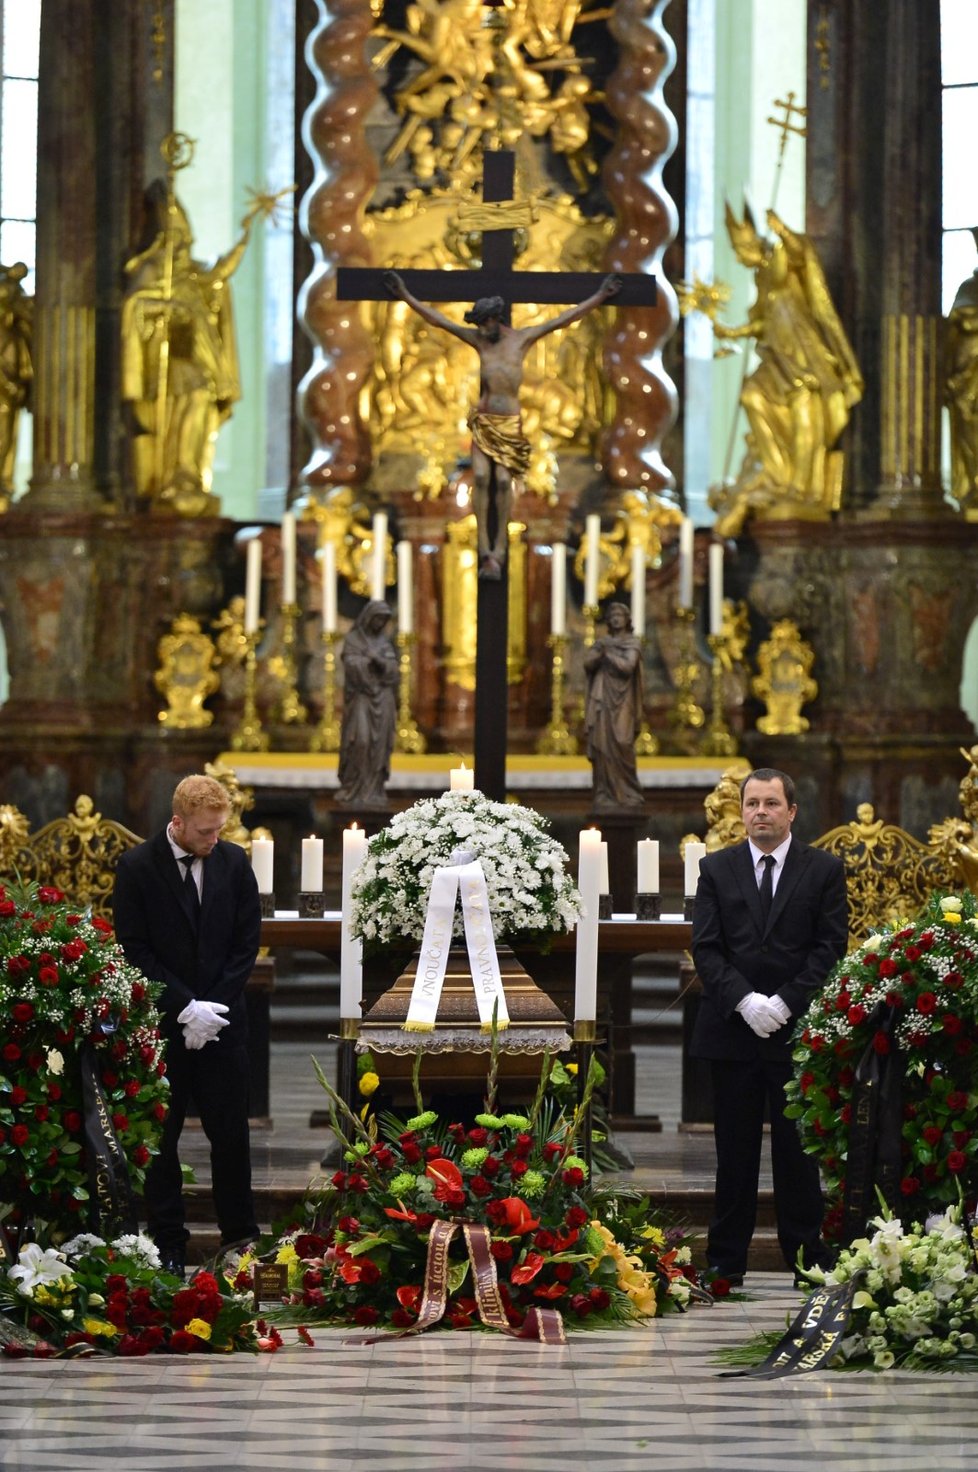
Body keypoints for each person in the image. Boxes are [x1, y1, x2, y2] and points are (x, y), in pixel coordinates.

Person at [690, 767, 848, 1286]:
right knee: (733, 1153)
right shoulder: (716, 869)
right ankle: (725, 1261)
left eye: (771, 804)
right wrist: (745, 1001)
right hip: (733, 1032)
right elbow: (707, 949)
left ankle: (805, 1257)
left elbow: (830, 947)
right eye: (752, 803)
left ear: (792, 811)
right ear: (742, 811)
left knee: (797, 1154)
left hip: (795, 1032)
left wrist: (784, 1001)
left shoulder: (823, 869)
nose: (761, 812)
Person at [112, 773, 262, 1276]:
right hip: (164, 1027)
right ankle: (169, 1244)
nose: (214, 839)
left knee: (231, 1136)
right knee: (163, 1139)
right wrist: (184, 1007)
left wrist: (211, 1010)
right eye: (205, 831)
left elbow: (246, 944)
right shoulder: (136, 868)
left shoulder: (235, 862)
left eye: (219, 829)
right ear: (177, 822)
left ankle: (240, 1240)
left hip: (223, 1024)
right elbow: (134, 949)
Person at [384, 269, 620, 577]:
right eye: (478, 325)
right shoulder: (480, 342)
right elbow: (436, 320)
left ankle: (500, 548)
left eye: (486, 323)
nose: (482, 329)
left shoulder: (520, 340)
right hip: (484, 421)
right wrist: (404, 295)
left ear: (497, 318)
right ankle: (485, 549)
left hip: (509, 422)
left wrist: (601, 296)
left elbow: (564, 318)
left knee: (503, 482)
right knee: (481, 479)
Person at [710, 205, 863, 537]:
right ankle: (779, 476)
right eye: (736, 251)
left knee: (806, 416)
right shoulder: (762, 277)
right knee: (752, 396)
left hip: (806, 357)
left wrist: (782, 230)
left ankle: (802, 487)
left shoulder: (780, 258)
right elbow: (764, 322)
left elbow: (803, 255)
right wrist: (732, 333)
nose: (739, 257)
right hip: (778, 359)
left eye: (742, 249)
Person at [121, 187, 252, 515]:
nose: (184, 245)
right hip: (170, 360)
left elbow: (219, 276)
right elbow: (134, 306)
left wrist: (245, 237)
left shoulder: (194, 274)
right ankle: (173, 474)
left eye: (186, 238)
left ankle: (188, 472)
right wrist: (166, 305)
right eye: (177, 238)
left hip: (200, 357)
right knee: (188, 400)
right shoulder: (153, 270)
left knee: (201, 404)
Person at [336, 599, 400, 807]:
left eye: (384, 620)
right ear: (368, 617)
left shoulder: (384, 643)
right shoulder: (355, 639)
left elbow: (393, 672)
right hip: (362, 698)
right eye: (378, 618)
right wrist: (365, 662)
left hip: (383, 700)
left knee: (379, 747)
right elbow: (350, 663)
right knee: (361, 741)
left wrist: (379, 661)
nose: (380, 623)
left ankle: (374, 790)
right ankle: (353, 788)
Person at [583, 601, 645, 809]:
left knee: (622, 742)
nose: (616, 618)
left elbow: (628, 667)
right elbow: (587, 663)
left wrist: (607, 654)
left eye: (620, 614)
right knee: (602, 744)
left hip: (624, 700)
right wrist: (601, 652)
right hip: (602, 699)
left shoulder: (632, 643)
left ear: (627, 619)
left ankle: (628, 792)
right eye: (612, 615)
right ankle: (604, 792)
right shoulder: (602, 642)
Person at [0, 261, 32, 508]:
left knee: (5, 440)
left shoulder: (13, 337)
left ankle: (4, 486)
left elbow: (20, 369)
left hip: (6, 401)